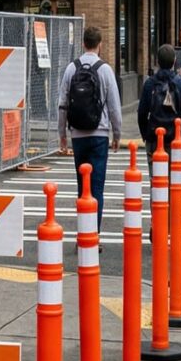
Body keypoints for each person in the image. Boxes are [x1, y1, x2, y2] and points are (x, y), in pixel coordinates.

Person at [58, 26, 122, 229]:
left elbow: (62, 104)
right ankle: (93, 235)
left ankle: (83, 231)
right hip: (99, 134)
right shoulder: (105, 70)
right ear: (99, 45)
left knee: (82, 187)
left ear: (83, 43)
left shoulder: (71, 68)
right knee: (96, 188)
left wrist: (62, 135)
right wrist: (117, 134)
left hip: (77, 135)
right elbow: (114, 107)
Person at [137, 44, 181, 173]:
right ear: (174, 61)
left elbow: (142, 113)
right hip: (175, 137)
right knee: (174, 180)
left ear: (157, 61)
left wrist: (145, 134)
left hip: (154, 137)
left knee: (156, 181)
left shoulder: (149, 84)